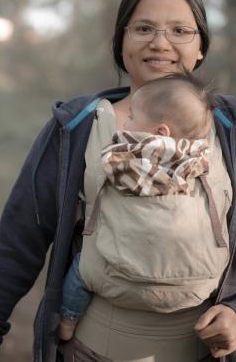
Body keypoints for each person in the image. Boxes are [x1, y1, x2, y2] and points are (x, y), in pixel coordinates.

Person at [0, 0, 236, 362]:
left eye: (180, 30)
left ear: (200, 47)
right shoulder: (77, 128)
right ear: (122, 42)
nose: (160, 42)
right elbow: (18, 244)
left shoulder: (233, 129)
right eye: (143, 27)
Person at [59, 72, 217, 341]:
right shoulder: (199, 155)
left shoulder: (130, 153)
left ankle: (67, 322)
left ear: (160, 131)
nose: (126, 122)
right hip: (192, 282)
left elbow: (110, 166)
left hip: (119, 267)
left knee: (80, 271)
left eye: (132, 116)